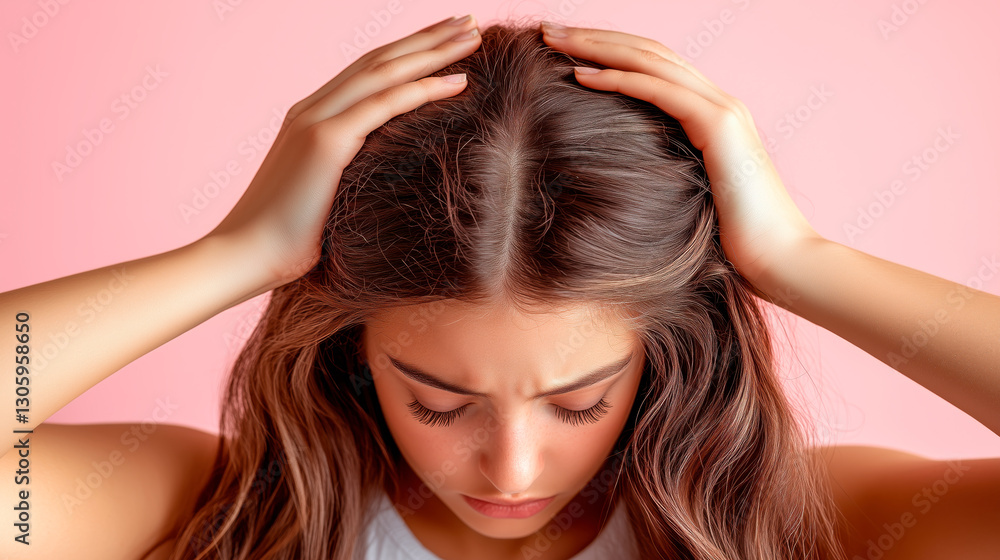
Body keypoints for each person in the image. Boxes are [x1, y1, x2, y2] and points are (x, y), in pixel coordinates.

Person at [1, 14, 998, 560]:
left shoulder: (801, 521)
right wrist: (238, 252)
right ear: (352, 352)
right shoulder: (219, 510)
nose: (513, 466)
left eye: (579, 400)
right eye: (438, 400)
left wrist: (795, 259)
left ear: (665, 353)